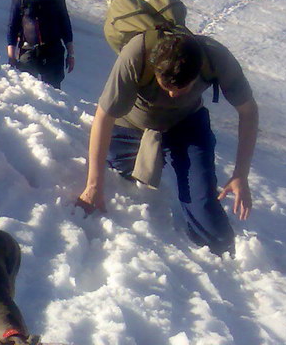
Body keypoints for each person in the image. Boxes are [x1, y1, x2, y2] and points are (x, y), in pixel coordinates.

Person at [76, 31, 258, 256]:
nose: (172, 95)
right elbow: (104, 116)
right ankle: (152, 156)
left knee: (204, 211)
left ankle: (226, 258)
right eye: (166, 86)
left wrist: (241, 173)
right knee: (124, 171)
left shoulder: (215, 57)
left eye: (183, 89)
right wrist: (93, 186)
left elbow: (248, 111)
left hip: (186, 125)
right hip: (132, 126)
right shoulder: (137, 54)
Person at [6, 0, 74, 88]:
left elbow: (65, 23)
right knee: (26, 88)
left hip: (53, 51)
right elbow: (12, 26)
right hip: (29, 49)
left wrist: (71, 53)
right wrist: (11, 56)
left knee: (53, 91)